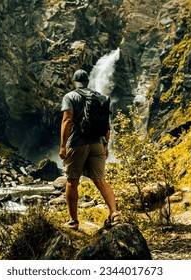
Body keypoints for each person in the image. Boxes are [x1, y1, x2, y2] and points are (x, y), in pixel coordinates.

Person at [59, 69, 121, 230]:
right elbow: (106, 125)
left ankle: (73, 221)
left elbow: (67, 120)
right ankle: (114, 214)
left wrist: (62, 145)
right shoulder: (99, 97)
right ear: (87, 82)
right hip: (97, 143)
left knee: (72, 181)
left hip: (78, 143)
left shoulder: (70, 97)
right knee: (100, 180)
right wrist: (106, 145)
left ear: (74, 82)